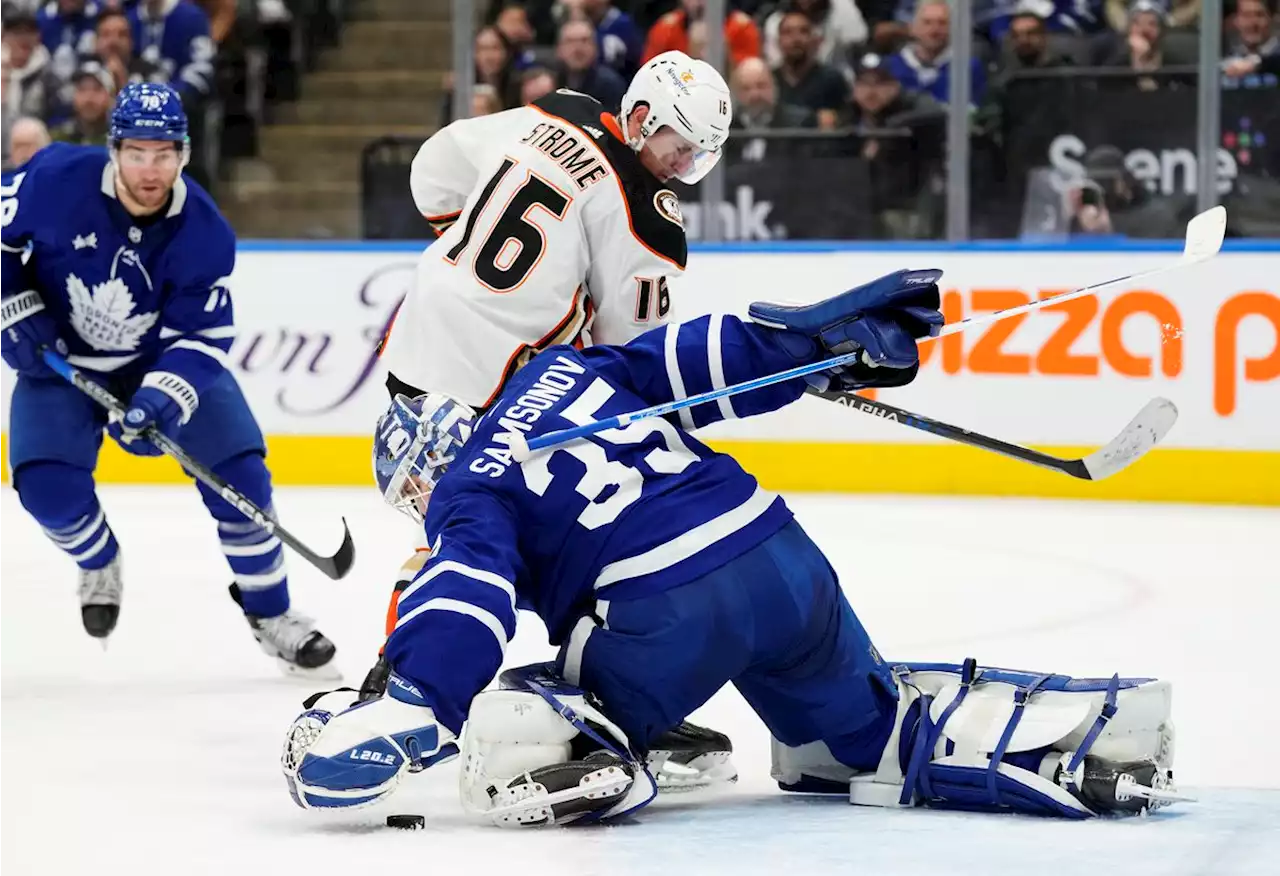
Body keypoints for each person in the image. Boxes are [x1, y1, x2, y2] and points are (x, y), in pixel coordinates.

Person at [281, 271, 1183, 826]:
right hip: (784, 560)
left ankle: (603, 755)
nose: (419, 511)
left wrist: (419, 700)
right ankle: (1064, 748)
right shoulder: (571, 369)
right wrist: (819, 345)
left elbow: (464, 597)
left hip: (665, 614)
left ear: (423, 463)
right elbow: (703, 360)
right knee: (855, 748)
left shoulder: (470, 485)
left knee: (517, 714)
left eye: (410, 493)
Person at [358, 50, 737, 788]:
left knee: (454, 527)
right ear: (639, 118)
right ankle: (607, 698)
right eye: (677, 145)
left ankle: (397, 682)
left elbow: (434, 169)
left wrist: (471, 262)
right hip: (497, 388)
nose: (682, 163)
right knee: (570, 535)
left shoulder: (552, 111)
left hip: (419, 345)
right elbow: (634, 357)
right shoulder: (647, 215)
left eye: (697, 154)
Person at [0, 82, 337, 675]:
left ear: (184, 153)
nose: (149, 169)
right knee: (48, 491)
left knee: (243, 483)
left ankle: (272, 614)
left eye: (163, 154)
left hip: (156, 363)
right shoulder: (52, 178)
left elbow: (201, 339)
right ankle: (99, 559)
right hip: (59, 361)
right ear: (113, 150)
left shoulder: (203, 232)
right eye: (136, 152)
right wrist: (14, 305)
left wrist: (160, 401)